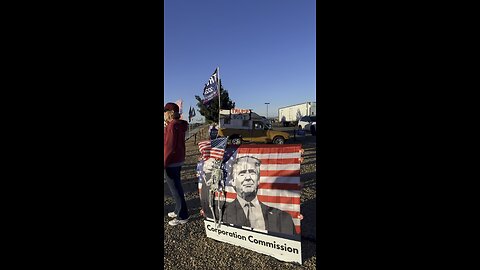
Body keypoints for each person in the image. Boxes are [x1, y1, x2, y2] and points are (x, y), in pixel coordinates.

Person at [223, 156, 296, 235]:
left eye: (252, 173)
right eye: (242, 174)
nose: (248, 178)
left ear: (258, 180)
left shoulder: (283, 218)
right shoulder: (222, 213)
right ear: (233, 181)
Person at [164, 102, 190, 226]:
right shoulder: (179, 125)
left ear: (170, 113)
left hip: (171, 161)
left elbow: (168, 147)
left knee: (175, 189)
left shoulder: (172, 126)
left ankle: (183, 215)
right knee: (177, 187)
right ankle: (177, 210)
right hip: (178, 159)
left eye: (165, 112)